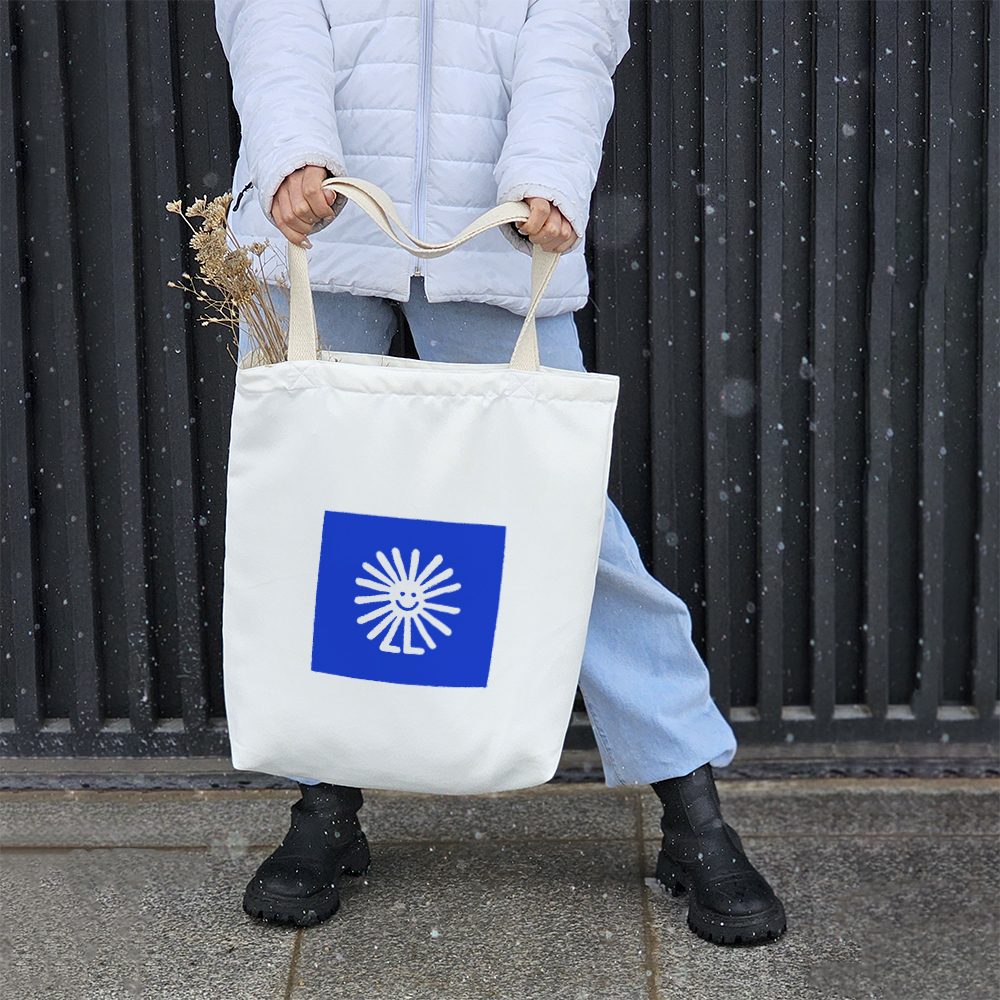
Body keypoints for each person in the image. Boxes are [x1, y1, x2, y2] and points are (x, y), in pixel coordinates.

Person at [215, 0, 786, 946]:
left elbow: (573, 28)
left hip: (495, 233)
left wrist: (548, 174)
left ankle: (693, 812)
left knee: (570, 529)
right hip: (315, 228)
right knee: (311, 529)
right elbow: (272, 15)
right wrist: (291, 153)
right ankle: (323, 803)